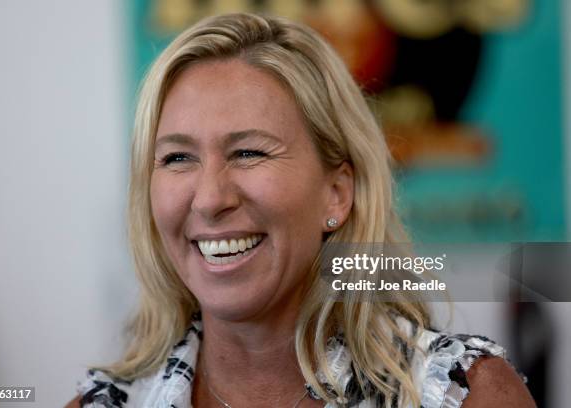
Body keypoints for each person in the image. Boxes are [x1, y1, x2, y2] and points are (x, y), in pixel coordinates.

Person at [66, 13, 534, 408]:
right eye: (177, 158)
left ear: (337, 193)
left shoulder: (468, 395)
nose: (209, 199)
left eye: (248, 153)